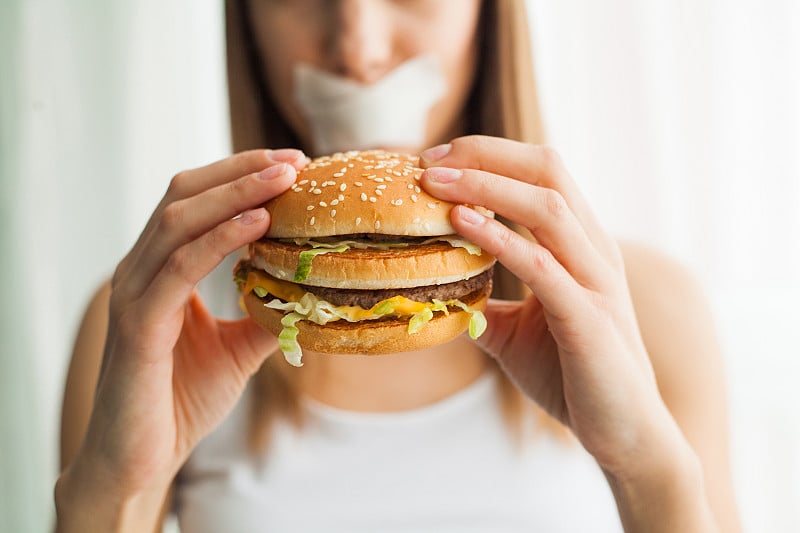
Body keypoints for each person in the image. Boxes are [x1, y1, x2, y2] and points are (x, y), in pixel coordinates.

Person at [56, 1, 741, 531]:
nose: (359, 50)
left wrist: (648, 468)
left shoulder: (649, 312)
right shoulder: (154, 330)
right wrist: (116, 489)